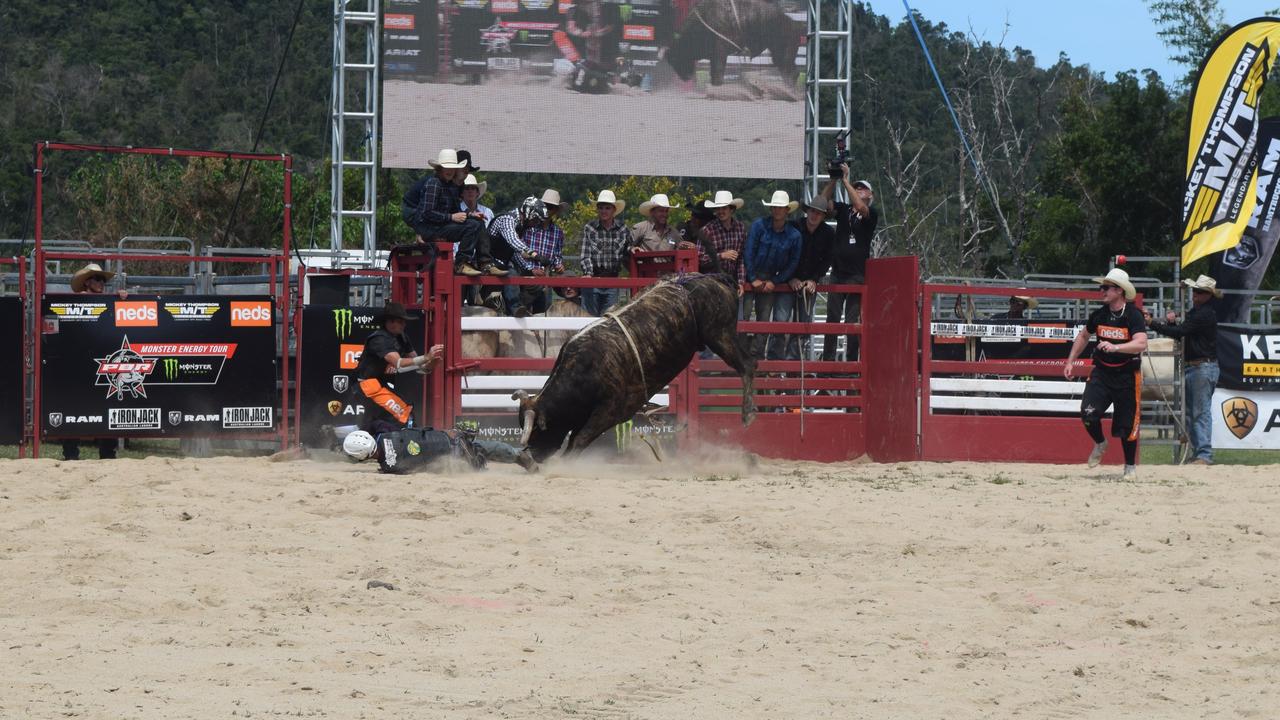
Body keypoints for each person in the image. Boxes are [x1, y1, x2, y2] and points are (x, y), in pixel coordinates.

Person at [1063, 268, 1148, 478]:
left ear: (1119, 291)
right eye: (1102, 287)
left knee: (1127, 425)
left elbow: (1141, 343)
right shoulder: (1099, 314)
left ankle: (1129, 468)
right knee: (1088, 413)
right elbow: (1083, 336)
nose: (1102, 290)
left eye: (1106, 287)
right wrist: (1070, 361)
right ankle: (1100, 443)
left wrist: (1117, 347)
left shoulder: (1133, 315)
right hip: (1102, 372)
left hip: (1127, 375)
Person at [1146, 274, 1220, 465]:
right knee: (1192, 413)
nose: (1195, 294)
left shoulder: (1202, 314)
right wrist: (1170, 324)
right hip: (1198, 366)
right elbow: (1183, 333)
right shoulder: (1201, 313)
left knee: (1199, 412)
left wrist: (1153, 323)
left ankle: (1203, 454)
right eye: (1195, 291)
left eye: (1200, 292)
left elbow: (1181, 333)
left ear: (1208, 295)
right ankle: (1199, 453)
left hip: (1201, 366)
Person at [63, 263, 125, 461]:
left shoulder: (108, 302)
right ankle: (70, 453)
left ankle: (108, 452)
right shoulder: (76, 302)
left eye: (103, 280)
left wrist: (122, 298)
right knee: (73, 408)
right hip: (78, 363)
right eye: (97, 279)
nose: (101, 283)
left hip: (102, 361)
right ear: (87, 282)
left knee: (108, 406)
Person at [355, 301, 444, 434]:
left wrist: (431, 364)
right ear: (389, 322)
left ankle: (353, 440)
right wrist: (426, 357)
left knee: (380, 419)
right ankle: (408, 448)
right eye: (401, 321)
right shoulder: (378, 339)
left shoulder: (402, 337)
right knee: (404, 413)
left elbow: (419, 367)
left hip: (380, 385)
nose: (404, 324)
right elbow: (398, 363)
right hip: (367, 385)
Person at [411, 148, 501, 277]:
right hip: (430, 228)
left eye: (452, 168)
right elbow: (427, 213)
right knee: (472, 226)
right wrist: (451, 217)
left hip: (441, 225)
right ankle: (462, 262)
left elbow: (455, 211)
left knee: (477, 221)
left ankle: (485, 262)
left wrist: (470, 215)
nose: (449, 171)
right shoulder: (434, 183)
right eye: (446, 168)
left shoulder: (450, 187)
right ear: (440, 169)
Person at [820, 166, 878, 361]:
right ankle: (827, 364)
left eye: (863, 188)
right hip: (838, 272)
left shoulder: (871, 212)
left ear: (870, 195)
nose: (859, 189)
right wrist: (833, 181)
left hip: (856, 275)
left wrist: (845, 181)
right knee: (832, 320)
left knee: (852, 321)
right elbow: (822, 203)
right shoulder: (844, 210)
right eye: (857, 187)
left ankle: (852, 363)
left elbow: (861, 208)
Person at [341, 421, 538, 474]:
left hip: (453, 459)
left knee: (477, 459)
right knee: (483, 447)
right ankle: (518, 455)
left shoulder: (389, 466)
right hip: (448, 439)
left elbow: (419, 467)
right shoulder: (386, 432)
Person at [742, 190, 802, 359]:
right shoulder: (758, 226)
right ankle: (742, 354)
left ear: (787, 210)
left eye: (780, 207)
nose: (777, 210)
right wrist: (753, 278)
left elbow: (792, 263)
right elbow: (748, 252)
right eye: (775, 207)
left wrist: (774, 281)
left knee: (763, 319)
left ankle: (756, 356)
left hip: (770, 278)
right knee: (743, 317)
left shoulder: (794, 235)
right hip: (751, 276)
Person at [784, 196, 835, 360]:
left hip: (809, 283)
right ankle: (775, 365)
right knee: (780, 321)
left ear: (823, 216)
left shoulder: (828, 233)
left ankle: (792, 363)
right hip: (787, 281)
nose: (815, 215)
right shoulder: (794, 226)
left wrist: (814, 279)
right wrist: (790, 277)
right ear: (808, 212)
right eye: (813, 211)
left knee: (803, 324)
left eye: (819, 213)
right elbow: (784, 254)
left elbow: (827, 259)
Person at [505, 189, 567, 317]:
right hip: (525, 277)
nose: (548, 210)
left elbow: (557, 255)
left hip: (545, 279)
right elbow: (516, 250)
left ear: (555, 210)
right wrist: (531, 269)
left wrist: (559, 264)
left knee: (543, 316)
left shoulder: (558, 232)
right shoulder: (528, 226)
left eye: (551, 207)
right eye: (546, 206)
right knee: (520, 315)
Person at [579, 189, 629, 316]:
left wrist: (633, 248)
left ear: (613, 210)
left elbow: (628, 249)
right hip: (593, 278)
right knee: (588, 318)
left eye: (607, 208)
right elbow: (585, 255)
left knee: (609, 319)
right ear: (597, 209)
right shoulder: (589, 228)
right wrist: (588, 273)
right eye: (601, 207)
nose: (604, 211)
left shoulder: (623, 229)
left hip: (612, 280)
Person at [697, 190, 747, 292]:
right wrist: (721, 256)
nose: (720, 211)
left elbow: (742, 258)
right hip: (711, 282)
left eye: (724, 208)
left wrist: (741, 282)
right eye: (718, 208)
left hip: (731, 281)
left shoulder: (740, 228)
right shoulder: (707, 230)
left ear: (731, 210)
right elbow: (700, 258)